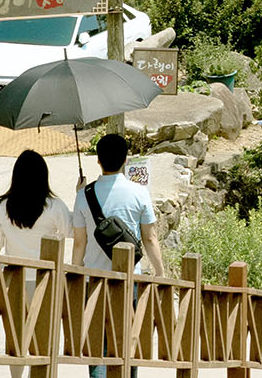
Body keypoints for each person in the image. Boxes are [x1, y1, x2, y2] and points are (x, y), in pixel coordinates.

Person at [70, 133, 166, 378]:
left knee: (97, 347)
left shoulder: (84, 195)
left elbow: (80, 243)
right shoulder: (139, 192)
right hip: (129, 278)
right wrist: (160, 273)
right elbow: (150, 238)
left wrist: (75, 273)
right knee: (128, 343)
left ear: (98, 161)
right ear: (126, 159)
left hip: (94, 278)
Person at [0, 149, 75, 259]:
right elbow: (73, 231)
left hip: (14, 273)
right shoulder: (54, 206)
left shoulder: (1, 206)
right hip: (45, 274)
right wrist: (81, 194)